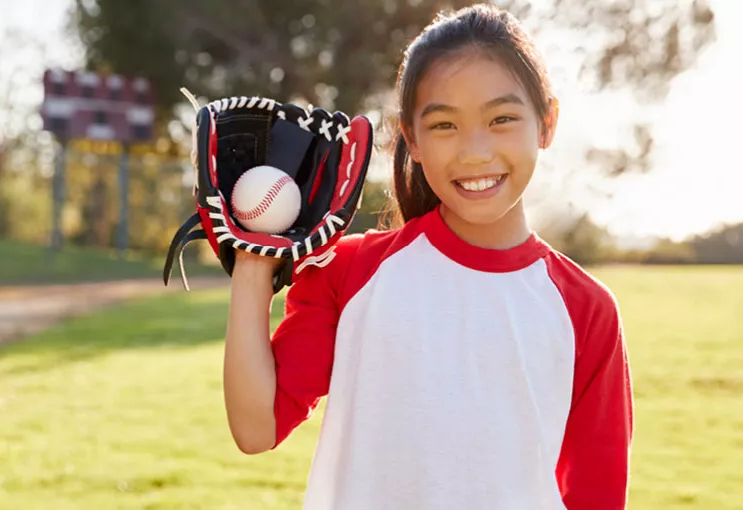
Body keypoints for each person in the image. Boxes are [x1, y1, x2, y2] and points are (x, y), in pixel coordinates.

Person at [222, 4, 634, 509]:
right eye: (444, 125)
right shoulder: (352, 272)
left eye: (502, 118)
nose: (475, 151)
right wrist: (253, 261)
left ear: (547, 122)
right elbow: (255, 426)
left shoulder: (586, 309)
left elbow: (597, 495)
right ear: (410, 138)